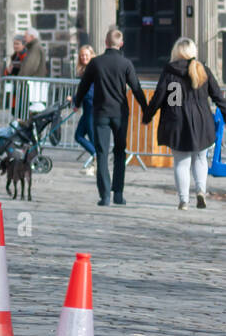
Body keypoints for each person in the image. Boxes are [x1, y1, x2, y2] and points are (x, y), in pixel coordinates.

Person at [142, 37, 226, 209]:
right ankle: (201, 190)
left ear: (176, 52)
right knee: (201, 159)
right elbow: (218, 96)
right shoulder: (203, 70)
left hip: (176, 121)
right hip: (202, 122)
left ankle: (184, 200)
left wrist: (147, 116)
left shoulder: (169, 71)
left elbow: (158, 97)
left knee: (182, 162)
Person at [73, 26, 147, 206]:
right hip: (120, 114)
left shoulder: (96, 63)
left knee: (102, 153)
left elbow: (83, 86)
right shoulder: (126, 64)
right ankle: (118, 194)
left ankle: (105, 195)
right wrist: (147, 108)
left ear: (105, 43)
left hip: (101, 113)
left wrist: (76, 102)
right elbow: (136, 88)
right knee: (120, 152)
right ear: (121, 44)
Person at [74, 44, 97, 174]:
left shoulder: (93, 69)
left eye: (86, 55)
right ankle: (96, 159)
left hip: (92, 107)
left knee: (92, 138)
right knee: (78, 135)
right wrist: (76, 99)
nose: (84, 57)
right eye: (82, 55)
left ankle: (97, 163)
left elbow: (90, 91)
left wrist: (77, 99)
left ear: (91, 55)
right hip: (87, 108)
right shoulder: (84, 70)